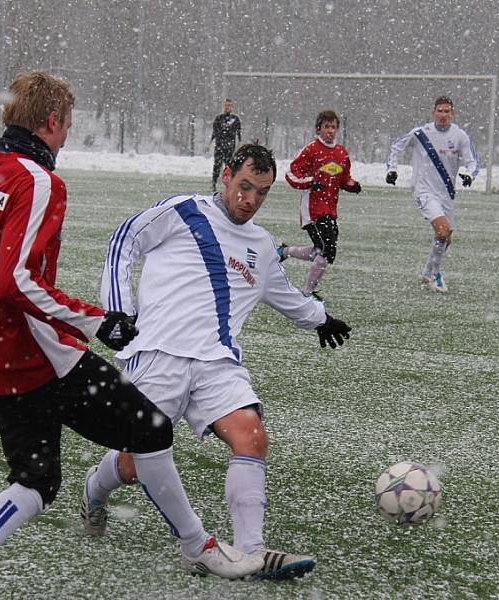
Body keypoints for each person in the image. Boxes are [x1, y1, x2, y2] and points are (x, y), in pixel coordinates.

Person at [0, 71, 262, 600]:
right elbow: (16, 279)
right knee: (150, 429)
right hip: (43, 357)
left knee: (36, 480)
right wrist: (97, 320)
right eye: (67, 125)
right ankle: (197, 546)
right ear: (53, 122)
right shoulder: (38, 181)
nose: (66, 136)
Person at [81, 144, 352, 581]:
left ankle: (251, 551)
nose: (250, 200)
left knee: (252, 437)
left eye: (261, 193)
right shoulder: (182, 211)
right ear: (226, 175)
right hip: (157, 353)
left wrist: (321, 319)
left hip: (217, 364)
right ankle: (95, 488)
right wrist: (118, 309)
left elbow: (286, 297)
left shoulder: (261, 246)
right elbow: (125, 239)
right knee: (131, 466)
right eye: (244, 186)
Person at [385, 96, 479, 293]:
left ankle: (427, 272)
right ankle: (435, 276)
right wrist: (391, 169)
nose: (443, 115)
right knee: (442, 231)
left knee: (446, 237)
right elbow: (397, 146)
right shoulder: (421, 133)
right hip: (424, 190)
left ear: (452, 114)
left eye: (447, 111)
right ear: (433, 112)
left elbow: (473, 162)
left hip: (447, 193)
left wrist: (469, 175)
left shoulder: (460, 136)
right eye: (440, 111)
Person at [281, 110, 362, 296]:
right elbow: (291, 174)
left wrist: (352, 185)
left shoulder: (342, 153)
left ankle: (285, 252)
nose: (330, 131)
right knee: (327, 249)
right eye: (326, 127)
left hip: (330, 210)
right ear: (319, 129)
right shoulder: (311, 149)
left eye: (333, 127)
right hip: (313, 209)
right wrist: (311, 181)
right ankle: (307, 292)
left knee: (324, 251)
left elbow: (343, 178)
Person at [210, 98, 242, 191]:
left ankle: (229, 184)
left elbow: (239, 132)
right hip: (219, 145)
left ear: (232, 107)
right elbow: (214, 132)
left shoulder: (235, 119)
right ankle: (214, 183)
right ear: (223, 106)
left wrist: (239, 143)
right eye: (226, 105)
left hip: (230, 146)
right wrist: (210, 143)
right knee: (217, 164)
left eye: (230, 106)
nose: (228, 107)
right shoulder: (218, 118)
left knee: (229, 166)